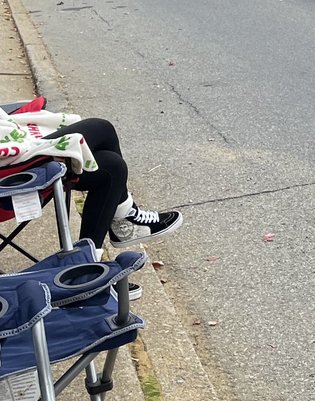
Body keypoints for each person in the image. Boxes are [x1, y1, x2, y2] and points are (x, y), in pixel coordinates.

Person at [0, 103, 183, 300]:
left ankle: (85, 271)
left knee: (111, 167)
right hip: (9, 181)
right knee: (102, 128)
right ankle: (123, 222)